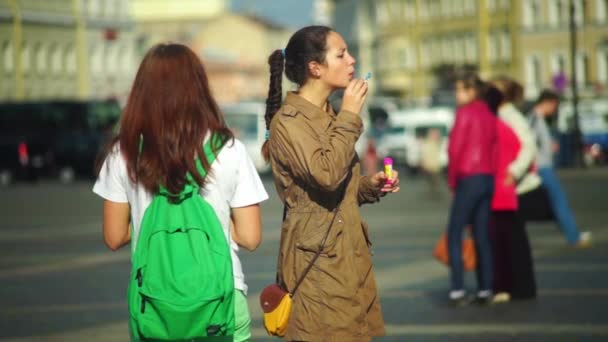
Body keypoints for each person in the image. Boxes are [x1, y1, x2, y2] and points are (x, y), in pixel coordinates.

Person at [93, 43, 268, 341]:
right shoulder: (229, 150)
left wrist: (150, 220)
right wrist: (214, 221)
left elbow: (113, 236)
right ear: (198, 87)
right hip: (221, 300)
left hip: (154, 302)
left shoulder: (122, 153)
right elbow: (250, 237)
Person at [262, 26, 400, 341]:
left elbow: (339, 186)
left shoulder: (328, 113)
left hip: (346, 255)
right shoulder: (289, 122)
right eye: (341, 54)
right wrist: (350, 115)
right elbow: (325, 176)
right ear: (315, 68)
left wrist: (370, 186)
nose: (352, 61)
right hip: (319, 264)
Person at [447, 73, 497, 306]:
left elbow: (455, 150)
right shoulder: (488, 113)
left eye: (460, 90)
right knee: (481, 235)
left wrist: (453, 181)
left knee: (454, 233)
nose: (456, 95)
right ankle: (486, 288)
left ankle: (457, 289)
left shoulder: (464, 113)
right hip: (487, 178)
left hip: (469, 177)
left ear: (472, 91)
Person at [491, 76, 538, 300]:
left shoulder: (511, 116)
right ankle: (513, 285)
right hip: (503, 187)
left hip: (515, 188)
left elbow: (528, 146)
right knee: (508, 238)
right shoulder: (498, 114)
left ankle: (521, 286)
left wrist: (514, 171)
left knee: (514, 239)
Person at [529, 89, 591, 247]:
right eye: (554, 106)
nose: (554, 110)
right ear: (547, 103)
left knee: (554, 201)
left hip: (542, 165)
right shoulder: (535, 119)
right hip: (542, 167)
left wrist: (549, 144)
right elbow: (528, 142)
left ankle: (570, 232)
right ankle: (573, 236)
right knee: (559, 200)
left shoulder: (538, 119)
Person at [420, 127, 443, 199]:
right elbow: (424, 153)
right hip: (429, 165)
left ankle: (434, 192)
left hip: (435, 165)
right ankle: (433, 191)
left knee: (435, 180)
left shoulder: (436, 142)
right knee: (431, 180)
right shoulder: (426, 142)